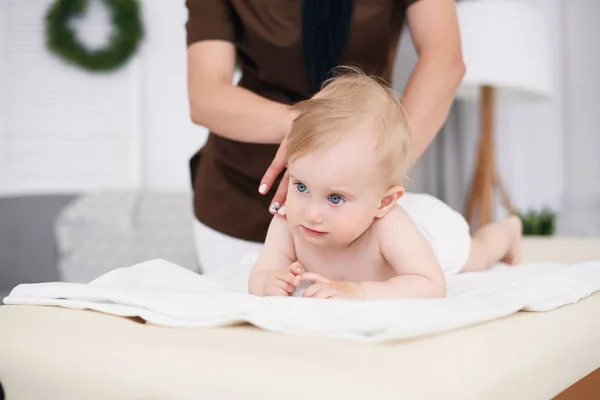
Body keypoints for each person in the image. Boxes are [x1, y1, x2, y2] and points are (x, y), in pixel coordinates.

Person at [185, 0, 466, 274]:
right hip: (238, 200)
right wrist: (313, 129)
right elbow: (205, 96)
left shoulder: (379, 212)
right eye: (302, 187)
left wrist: (371, 175)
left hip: (358, 206)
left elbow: (443, 60)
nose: (312, 213)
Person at [248, 71, 523, 299]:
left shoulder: (389, 227)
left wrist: (361, 292)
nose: (311, 213)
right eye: (301, 187)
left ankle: (507, 231)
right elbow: (260, 274)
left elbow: (430, 284)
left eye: (334, 199)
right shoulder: (288, 222)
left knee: (477, 257)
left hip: (428, 232)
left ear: (384, 203)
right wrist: (269, 282)